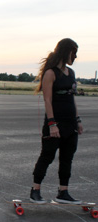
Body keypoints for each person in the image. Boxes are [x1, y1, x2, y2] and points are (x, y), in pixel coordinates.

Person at [31, 38, 83, 204]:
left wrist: (78, 120)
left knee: (67, 158)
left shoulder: (71, 73)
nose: (75, 56)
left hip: (70, 123)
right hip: (55, 123)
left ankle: (63, 192)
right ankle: (35, 190)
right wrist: (52, 124)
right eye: (73, 52)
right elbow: (47, 100)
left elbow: (71, 99)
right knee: (47, 157)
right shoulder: (51, 73)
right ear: (65, 51)